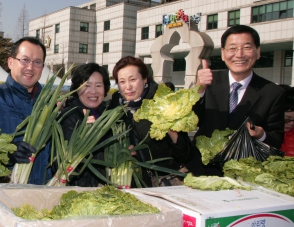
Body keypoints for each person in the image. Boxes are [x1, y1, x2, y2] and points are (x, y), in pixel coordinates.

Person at [194, 25, 285, 174]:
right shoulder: (208, 81)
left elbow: (276, 139)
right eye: (232, 48)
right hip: (202, 168)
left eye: (247, 47)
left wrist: (261, 134)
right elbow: (190, 120)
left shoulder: (273, 92)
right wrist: (199, 89)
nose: (239, 54)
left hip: (246, 172)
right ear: (223, 53)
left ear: (258, 52)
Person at [109, 56, 195, 186]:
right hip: (132, 184)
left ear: (144, 79)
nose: (128, 86)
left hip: (166, 183)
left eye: (133, 79)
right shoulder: (114, 110)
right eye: (122, 81)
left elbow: (187, 154)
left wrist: (173, 135)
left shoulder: (162, 104)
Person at [0, 37, 52, 185]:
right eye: (25, 60)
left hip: (41, 191)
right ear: (10, 62)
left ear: (42, 67)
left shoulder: (49, 103)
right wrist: (7, 151)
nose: (30, 67)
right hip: (2, 191)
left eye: (37, 62)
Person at [59, 63, 111, 186]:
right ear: (77, 89)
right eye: (86, 85)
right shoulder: (69, 116)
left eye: (98, 85)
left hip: (104, 188)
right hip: (78, 190)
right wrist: (84, 136)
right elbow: (63, 164)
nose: (93, 91)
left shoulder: (108, 115)